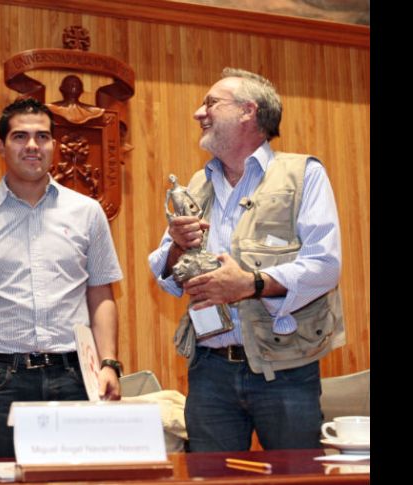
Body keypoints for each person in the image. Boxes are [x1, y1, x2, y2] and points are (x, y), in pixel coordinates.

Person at [148, 67, 345, 452]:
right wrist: (175, 246)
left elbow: (325, 265)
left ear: (247, 111)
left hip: (286, 369)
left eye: (210, 103)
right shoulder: (197, 184)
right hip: (209, 370)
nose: (198, 113)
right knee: (209, 479)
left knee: (298, 481)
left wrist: (250, 285)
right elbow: (165, 276)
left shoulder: (303, 174)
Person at [0, 98, 124, 458]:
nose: (33, 146)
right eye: (20, 136)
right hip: (2, 380)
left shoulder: (88, 213)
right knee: (8, 478)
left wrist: (109, 363)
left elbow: (101, 295)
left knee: (76, 481)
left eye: (43, 137)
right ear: (0, 147)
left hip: (75, 376)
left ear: (55, 145)